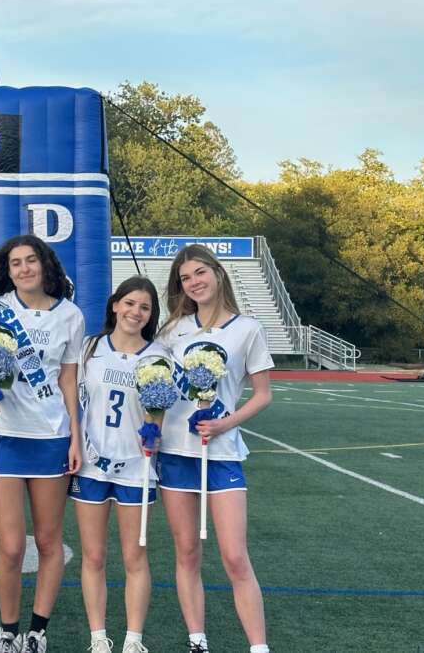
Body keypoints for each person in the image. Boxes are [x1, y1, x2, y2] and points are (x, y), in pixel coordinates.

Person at [155, 244, 274, 653]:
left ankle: (259, 647)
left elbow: (262, 396)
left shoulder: (248, 329)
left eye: (200, 273)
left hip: (222, 454)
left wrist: (225, 423)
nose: (194, 282)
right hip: (176, 453)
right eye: (185, 278)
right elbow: (157, 387)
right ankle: (197, 640)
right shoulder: (172, 332)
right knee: (187, 551)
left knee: (234, 556)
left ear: (218, 273)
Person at [0, 235, 85, 653]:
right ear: (8, 269)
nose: (23, 269)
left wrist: (76, 435)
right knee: (11, 544)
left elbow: (69, 379)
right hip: (1, 434)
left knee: (48, 541)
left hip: (50, 434)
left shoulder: (70, 316)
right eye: (15, 263)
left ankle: (37, 631)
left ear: (45, 265)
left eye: (31, 261)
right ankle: (7, 631)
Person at [70, 276, 167, 653]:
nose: (135, 312)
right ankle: (98, 639)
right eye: (129, 303)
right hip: (92, 464)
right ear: (114, 305)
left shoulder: (157, 355)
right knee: (93, 555)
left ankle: (133, 640)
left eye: (144, 307)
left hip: (136, 466)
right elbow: (74, 402)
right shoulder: (90, 348)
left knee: (134, 555)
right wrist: (75, 445)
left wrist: (154, 432)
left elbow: (158, 412)